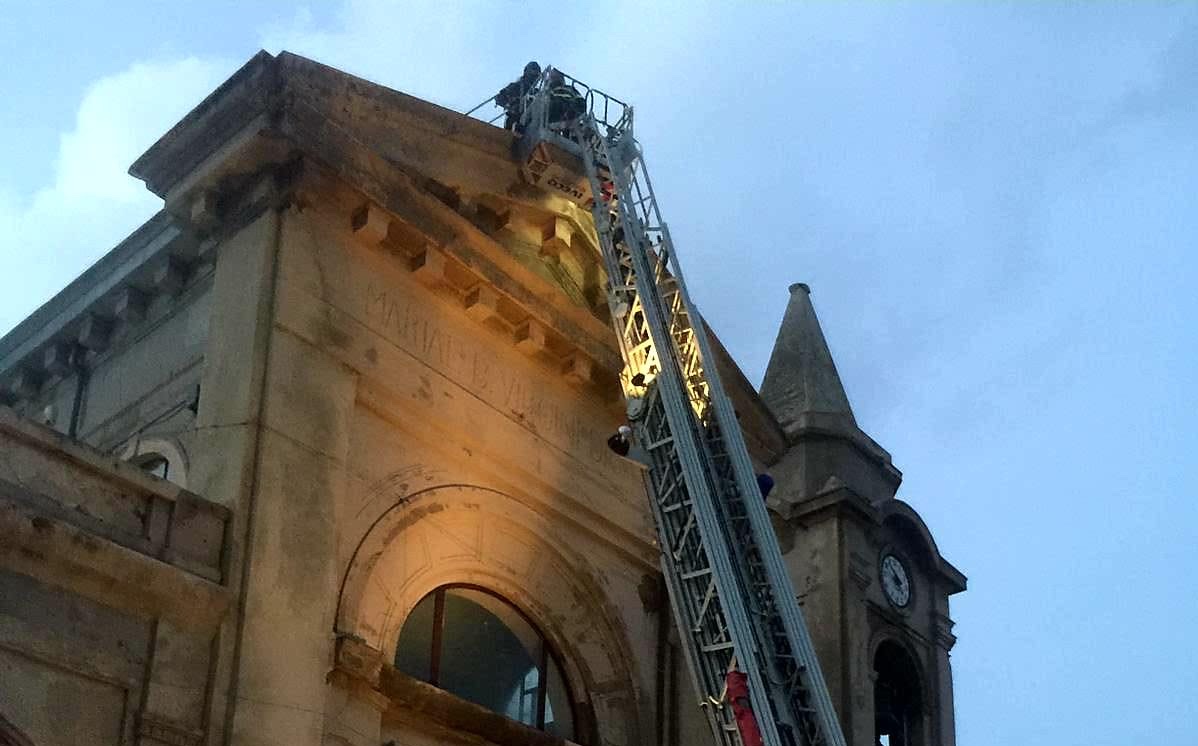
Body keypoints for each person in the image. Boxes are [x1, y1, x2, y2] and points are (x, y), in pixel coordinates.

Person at [495, 61, 541, 131]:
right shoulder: (515, 86)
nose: (534, 74)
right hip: (514, 120)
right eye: (533, 71)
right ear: (526, 72)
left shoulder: (536, 92)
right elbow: (499, 97)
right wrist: (510, 106)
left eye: (536, 73)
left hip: (529, 123)